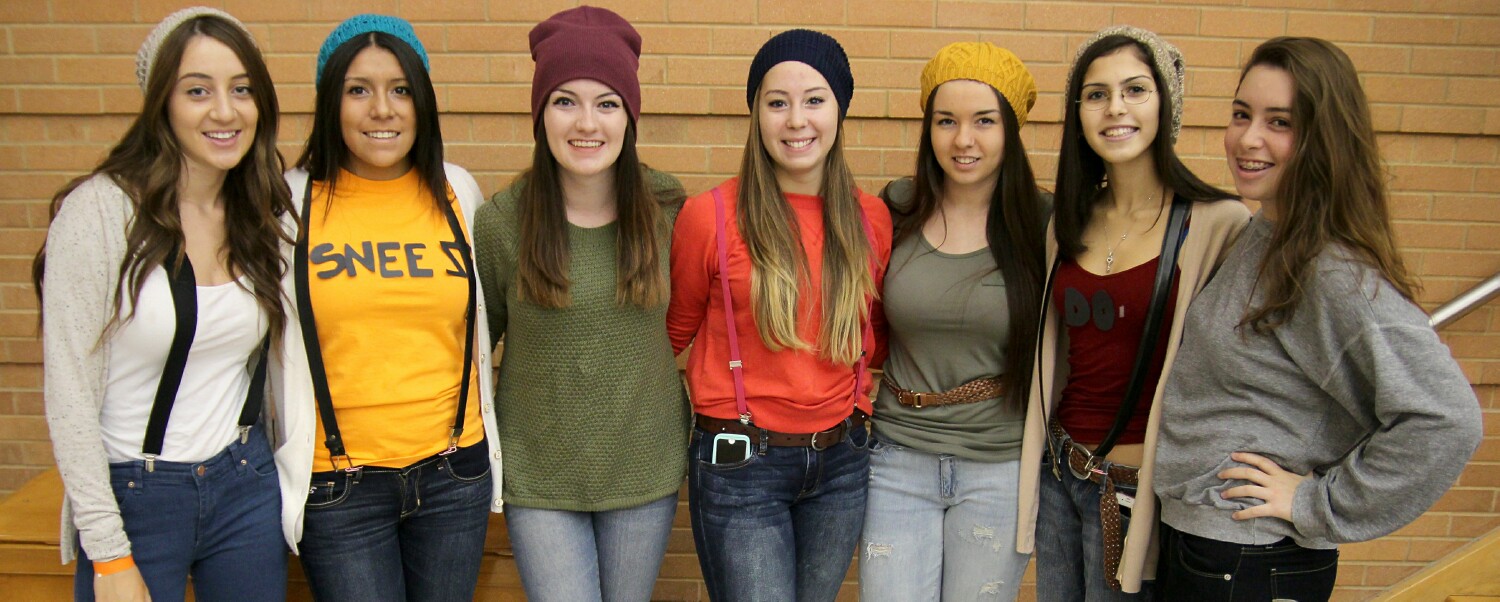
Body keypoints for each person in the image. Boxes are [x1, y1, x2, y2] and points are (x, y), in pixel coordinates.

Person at [1152, 37, 1483, 602]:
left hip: (1250, 558)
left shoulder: (1330, 271)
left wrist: (1315, 503)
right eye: (1241, 114)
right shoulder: (1268, 231)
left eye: (1279, 122)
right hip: (1211, 546)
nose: (1248, 139)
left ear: (1323, 139)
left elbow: (1447, 419)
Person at [36, 7, 295, 601]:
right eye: (197, 91)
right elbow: (68, 393)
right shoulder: (101, 213)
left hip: (244, 482)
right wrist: (107, 551)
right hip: (137, 495)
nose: (225, 111)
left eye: (241, 89)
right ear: (161, 104)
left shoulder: (260, 210)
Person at [1014, 25, 1250, 600]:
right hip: (1060, 472)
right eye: (1096, 94)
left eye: (1135, 90)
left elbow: (1252, 371)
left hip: (1133, 491)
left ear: (1166, 104)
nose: (1115, 108)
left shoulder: (1219, 223)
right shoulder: (1068, 221)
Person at [666, 28, 893, 602]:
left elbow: (875, 335)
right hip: (741, 462)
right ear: (755, 115)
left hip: (842, 461)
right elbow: (671, 334)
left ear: (839, 111)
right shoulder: (709, 216)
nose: (796, 120)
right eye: (777, 102)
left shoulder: (870, 218)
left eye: (814, 100)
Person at [472, 7, 690, 602]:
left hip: (643, 466)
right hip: (539, 474)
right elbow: (474, 349)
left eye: (607, 103)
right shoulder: (502, 223)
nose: (586, 123)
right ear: (540, 113)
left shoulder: (668, 210)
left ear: (630, 116)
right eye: (565, 101)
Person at [282, 14, 501, 601]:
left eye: (400, 89)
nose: (383, 109)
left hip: (454, 472)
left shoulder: (456, 190)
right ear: (330, 102)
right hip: (339, 485)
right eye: (359, 90)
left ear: (422, 101)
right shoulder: (291, 201)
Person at [858, 42, 1046, 602]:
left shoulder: (1044, 223)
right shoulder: (897, 208)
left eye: (984, 121)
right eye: (946, 121)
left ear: (1011, 130)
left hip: (1000, 465)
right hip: (898, 457)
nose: (963, 139)